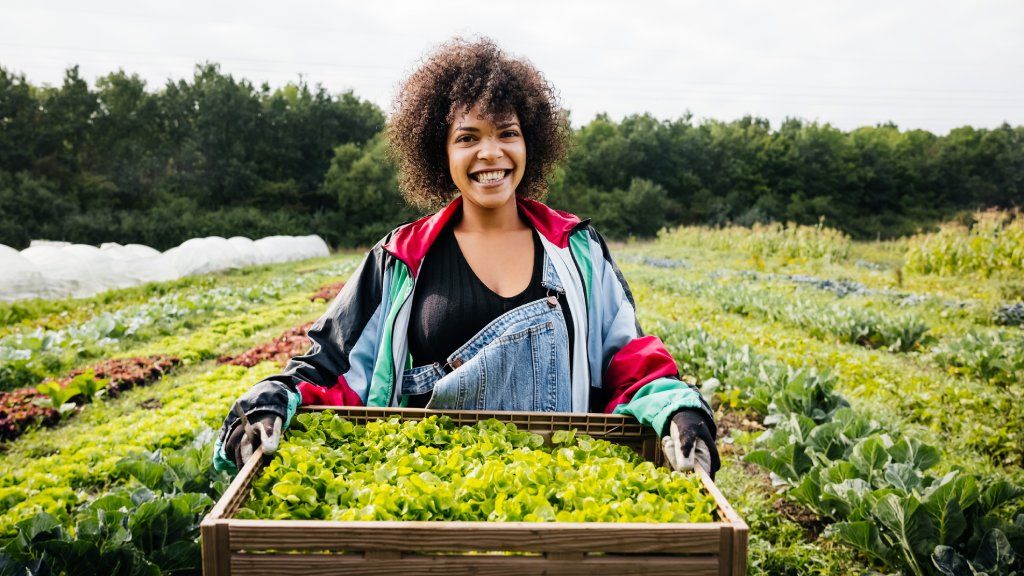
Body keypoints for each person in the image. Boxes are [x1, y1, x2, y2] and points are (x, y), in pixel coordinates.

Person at [214, 37, 720, 479]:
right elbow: (331, 367)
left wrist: (677, 409)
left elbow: (627, 362)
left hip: (554, 505)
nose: (490, 153)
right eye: (467, 137)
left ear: (530, 143)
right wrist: (272, 399)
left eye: (507, 133)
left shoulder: (576, 250)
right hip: (427, 497)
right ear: (442, 153)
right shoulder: (400, 260)